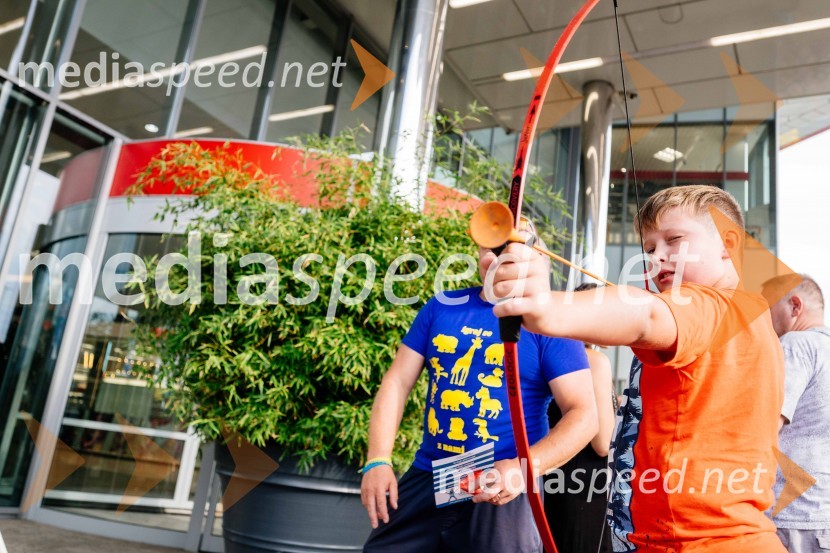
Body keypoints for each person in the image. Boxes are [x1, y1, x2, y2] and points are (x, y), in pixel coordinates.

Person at [488, 185, 786, 552]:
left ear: (728, 244)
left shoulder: (711, 306)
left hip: (699, 542)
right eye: (649, 249)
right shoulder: (751, 318)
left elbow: (646, 314)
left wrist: (549, 307)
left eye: (674, 240)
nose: (657, 257)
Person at [360, 219, 598, 553]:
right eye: (494, 247)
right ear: (479, 251)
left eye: (516, 247)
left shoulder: (552, 321)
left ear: (536, 256)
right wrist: (378, 459)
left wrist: (523, 470)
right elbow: (397, 382)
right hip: (433, 473)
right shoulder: (442, 306)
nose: (502, 256)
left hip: (502, 484)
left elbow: (585, 415)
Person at [545, 282, 616, 553]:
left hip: (551, 472)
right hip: (584, 484)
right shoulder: (593, 361)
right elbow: (602, 444)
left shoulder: (550, 354)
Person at [762, 275, 830, 553]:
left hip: (791, 518)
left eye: (768, 309)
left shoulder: (796, 344)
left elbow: (763, 424)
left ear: (794, 306)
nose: (764, 320)